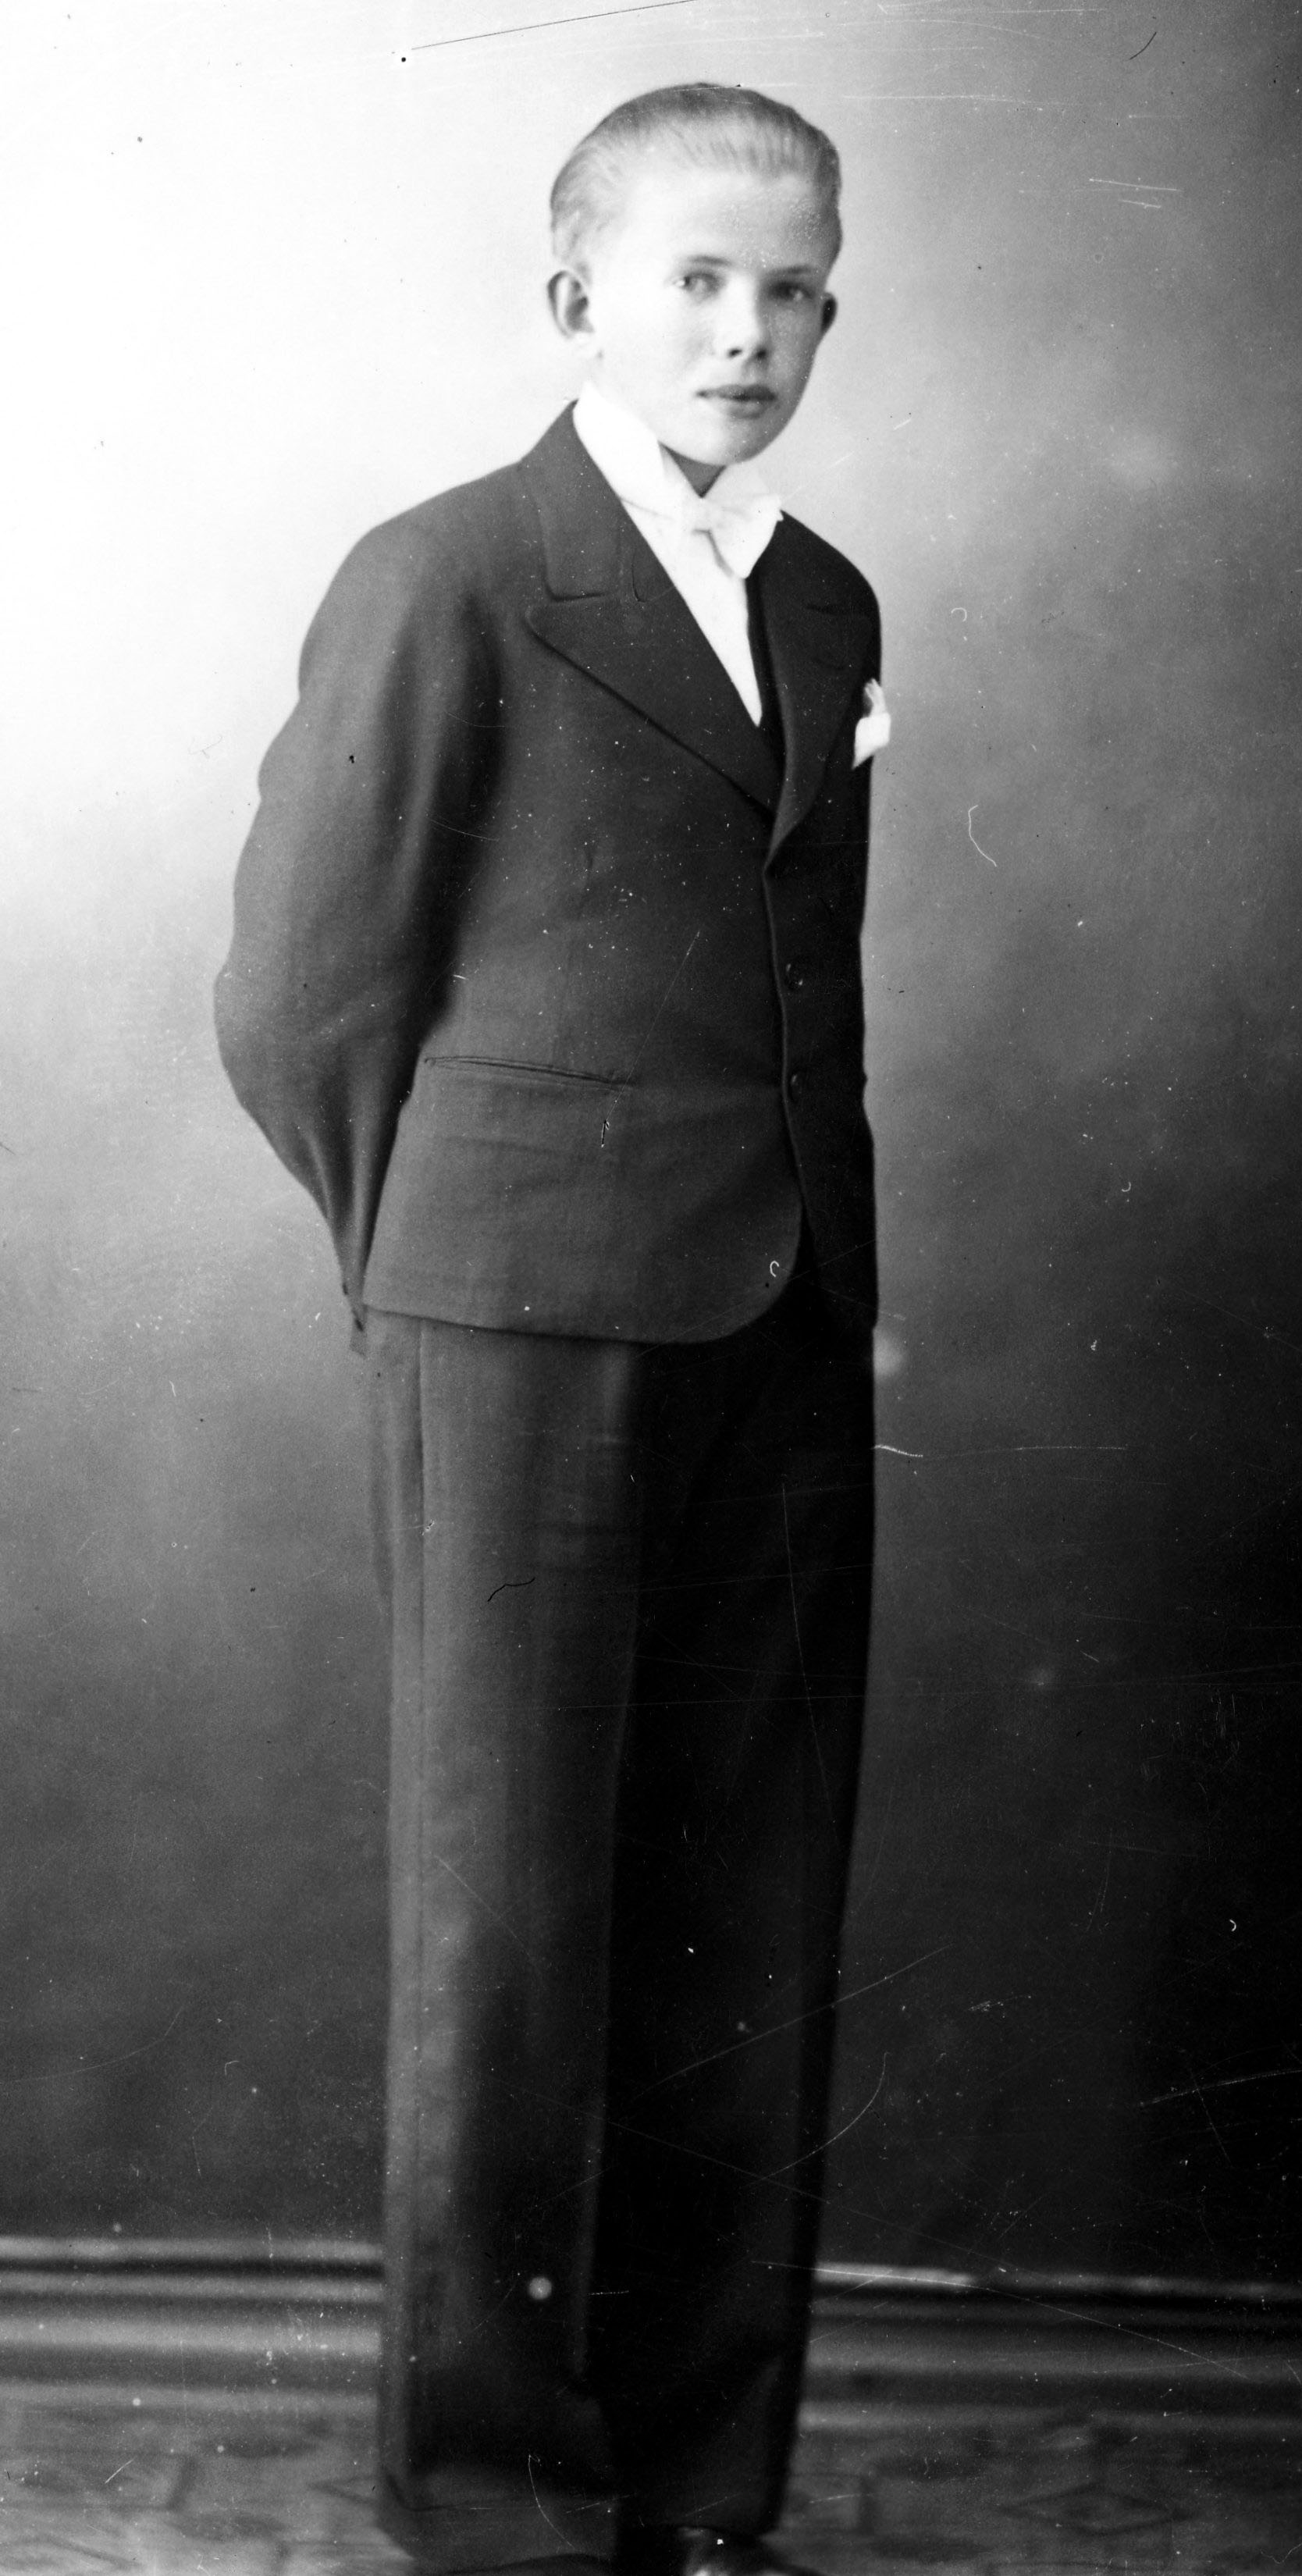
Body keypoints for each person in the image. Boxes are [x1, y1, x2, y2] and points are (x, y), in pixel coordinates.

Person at [215, 81, 888, 2576]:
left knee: (750, 1914)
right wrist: (441, 1261)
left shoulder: (822, 602)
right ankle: (501, 2498)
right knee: (506, 1927)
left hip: (782, 1321)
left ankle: (700, 2484)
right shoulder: (454, 573)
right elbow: (302, 991)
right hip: (512, 1322)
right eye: (696, 278)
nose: (744, 330)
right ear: (574, 292)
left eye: (791, 288)